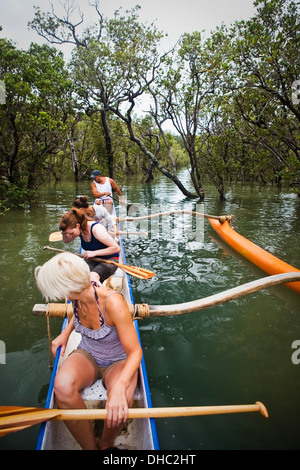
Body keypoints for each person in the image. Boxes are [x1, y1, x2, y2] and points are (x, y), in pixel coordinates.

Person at [35, 252, 142, 450]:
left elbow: (135, 352)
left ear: (68, 286)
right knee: (62, 387)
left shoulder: (113, 302)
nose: (57, 295)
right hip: (89, 354)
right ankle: (90, 448)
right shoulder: (76, 297)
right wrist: (65, 334)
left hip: (118, 360)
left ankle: (107, 443)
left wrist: (119, 387)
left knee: (123, 396)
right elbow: (76, 317)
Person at [59, 208, 120, 285]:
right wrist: (64, 232)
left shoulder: (97, 230)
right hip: (93, 259)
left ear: (78, 226)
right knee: (80, 276)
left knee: (92, 277)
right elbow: (66, 241)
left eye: (71, 233)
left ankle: (99, 294)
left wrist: (94, 252)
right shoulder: (79, 230)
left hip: (110, 260)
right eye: (68, 234)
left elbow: (117, 248)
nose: (71, 236)